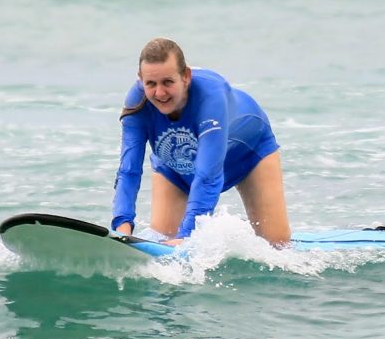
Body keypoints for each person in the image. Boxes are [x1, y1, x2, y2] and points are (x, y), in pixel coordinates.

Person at [110, 38, 291, 246]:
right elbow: (128, 170)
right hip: (176, 167)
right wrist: (121, 228)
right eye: (151, 84)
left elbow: (208, 177)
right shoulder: (137, 103)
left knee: (277, 247)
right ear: (141, 80)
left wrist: (187, 236)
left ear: (185, 77)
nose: (159, 93)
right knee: (161, 242)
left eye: (168, 82)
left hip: (249, 155)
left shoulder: (211, 95)